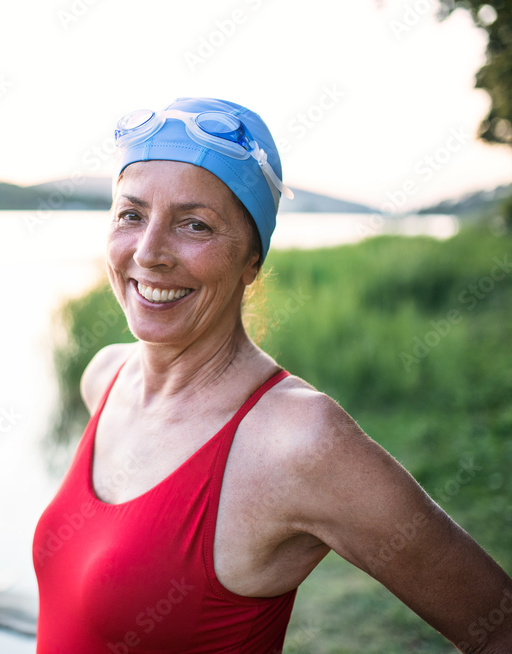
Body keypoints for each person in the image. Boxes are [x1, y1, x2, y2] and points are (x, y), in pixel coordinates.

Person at [31, 97, 512, 653]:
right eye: (131, 215)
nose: (149, 251)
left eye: (194, 224)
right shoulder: (104, 376)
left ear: (251, 261)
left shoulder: (299, 441)